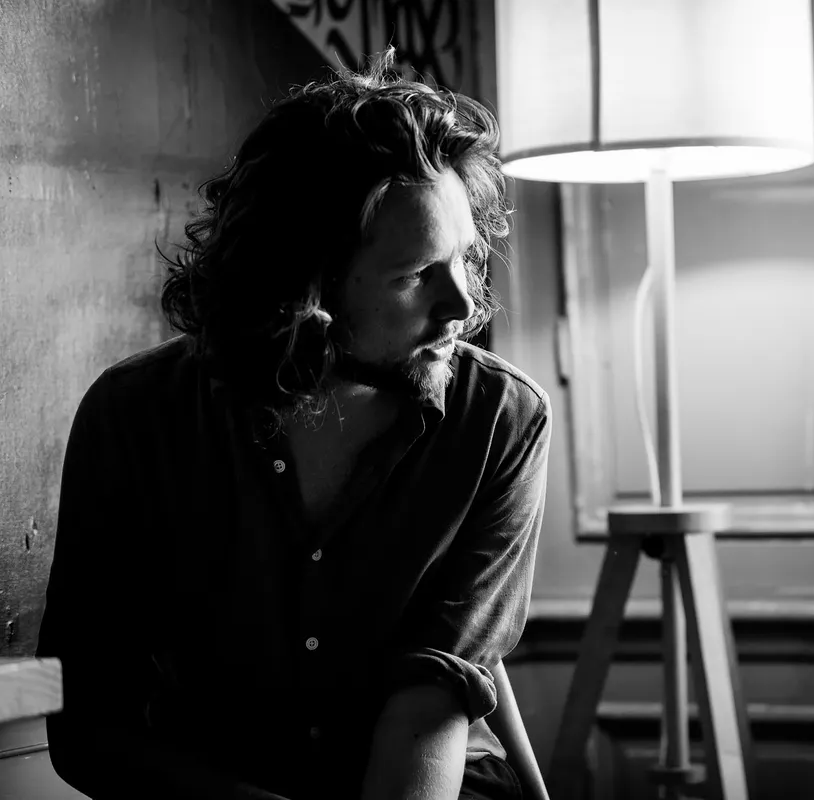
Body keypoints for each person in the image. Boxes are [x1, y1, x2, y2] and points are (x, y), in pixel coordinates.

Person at [35, 48, 551, 800]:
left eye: (464, 259)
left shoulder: (499, 421)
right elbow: (85, 723)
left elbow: (431, 700)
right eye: (415, 274)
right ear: (304, 286)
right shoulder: (137, 417)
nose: (462, 305)